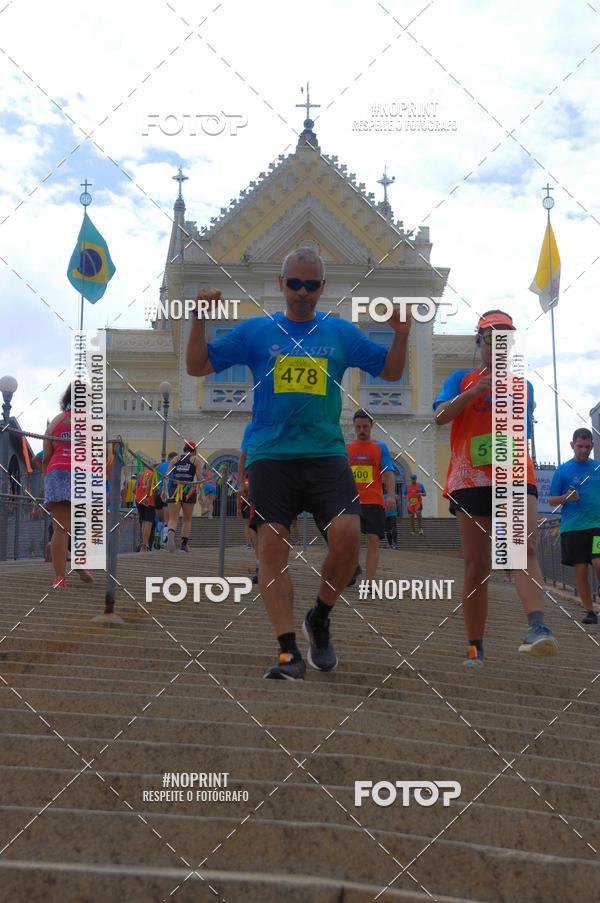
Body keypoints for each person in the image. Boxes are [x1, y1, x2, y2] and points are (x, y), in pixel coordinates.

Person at [186, 246, 411, 679]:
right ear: (281, 284)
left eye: (311, 285)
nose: (303, 292)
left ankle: (320, 616)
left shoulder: (340, 333)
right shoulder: (256, 331)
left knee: (348, 537)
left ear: (322, 287)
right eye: (295, 283)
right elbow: (198, 365)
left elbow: (391, 372)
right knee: (272, 546)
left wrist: (401, 333)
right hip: (271, 455)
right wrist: (199, 319)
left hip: (326, 453)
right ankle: (288, 651)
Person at [433, 309, 557, 666]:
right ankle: (475, 645)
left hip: (514, 472)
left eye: (505, 338)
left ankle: (538, 628)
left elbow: (518, 432)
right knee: (476, 566)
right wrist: (472, 393)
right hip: (470, 476)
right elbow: (440, 416)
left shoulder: (524, 385)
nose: (498, 344)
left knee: (522, 548)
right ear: (479, 341)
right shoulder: (460, 378)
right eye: (491, 337)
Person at [42, 384, 93, 588]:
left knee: (60, 529)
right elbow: (103, 455)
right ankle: (83, 562)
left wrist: (48, 479)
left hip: (58, 471)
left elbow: (46, 455)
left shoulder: (57, 420)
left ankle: (60, 578)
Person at [548, 428, 600, 624]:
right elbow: (552, 500)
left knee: (598, 562)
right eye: (580, 446)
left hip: (597, 525)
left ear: (592, 446)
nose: (584, 450)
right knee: (581, 571)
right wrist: (566, 497)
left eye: (587, 447)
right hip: (573, 527)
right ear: (572, 445)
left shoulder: (598, 467)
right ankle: (590, 612)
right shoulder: (563, 470)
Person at [345, 409, 395, 584]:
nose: (361, 431)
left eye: (365, 427)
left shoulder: (380, 447)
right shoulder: (347, 448)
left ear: (371, 426)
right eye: (358, 427)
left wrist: (391, 495)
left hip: (374, 500)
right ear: (354, 426)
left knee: (373, 540)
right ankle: (352, 568)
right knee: (350, 540)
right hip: (351, 501)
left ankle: (369, 581)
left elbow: (388, 473)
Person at [162, 440, 202, 552]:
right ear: (194, 450)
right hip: (189, 490)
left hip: (174, 488)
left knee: (173, 519)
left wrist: (164, 490)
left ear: (184, 449)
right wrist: (201, 495)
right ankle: (184, 546)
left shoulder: (176, 459)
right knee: (187, 519)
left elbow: (166, 476)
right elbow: (199, 479)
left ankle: (170, 535)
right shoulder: (196, 460)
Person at [154, 451, 176, 547]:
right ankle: (164, 541)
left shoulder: (159, 466)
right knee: (168, 519)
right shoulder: (173, 467)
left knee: (160, 519)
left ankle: (157, 535)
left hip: (157, 493)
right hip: (167, 493)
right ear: (173, 458)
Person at [135, 464, 156, 552]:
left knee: (143, 521)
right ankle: (145, 544)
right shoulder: (154, 474)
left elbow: (134, 489)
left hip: (138, 499)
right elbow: (150, 487)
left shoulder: (141, 474)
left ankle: (143, 543)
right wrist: (147, 496)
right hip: (149, 499)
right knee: (148, 522)